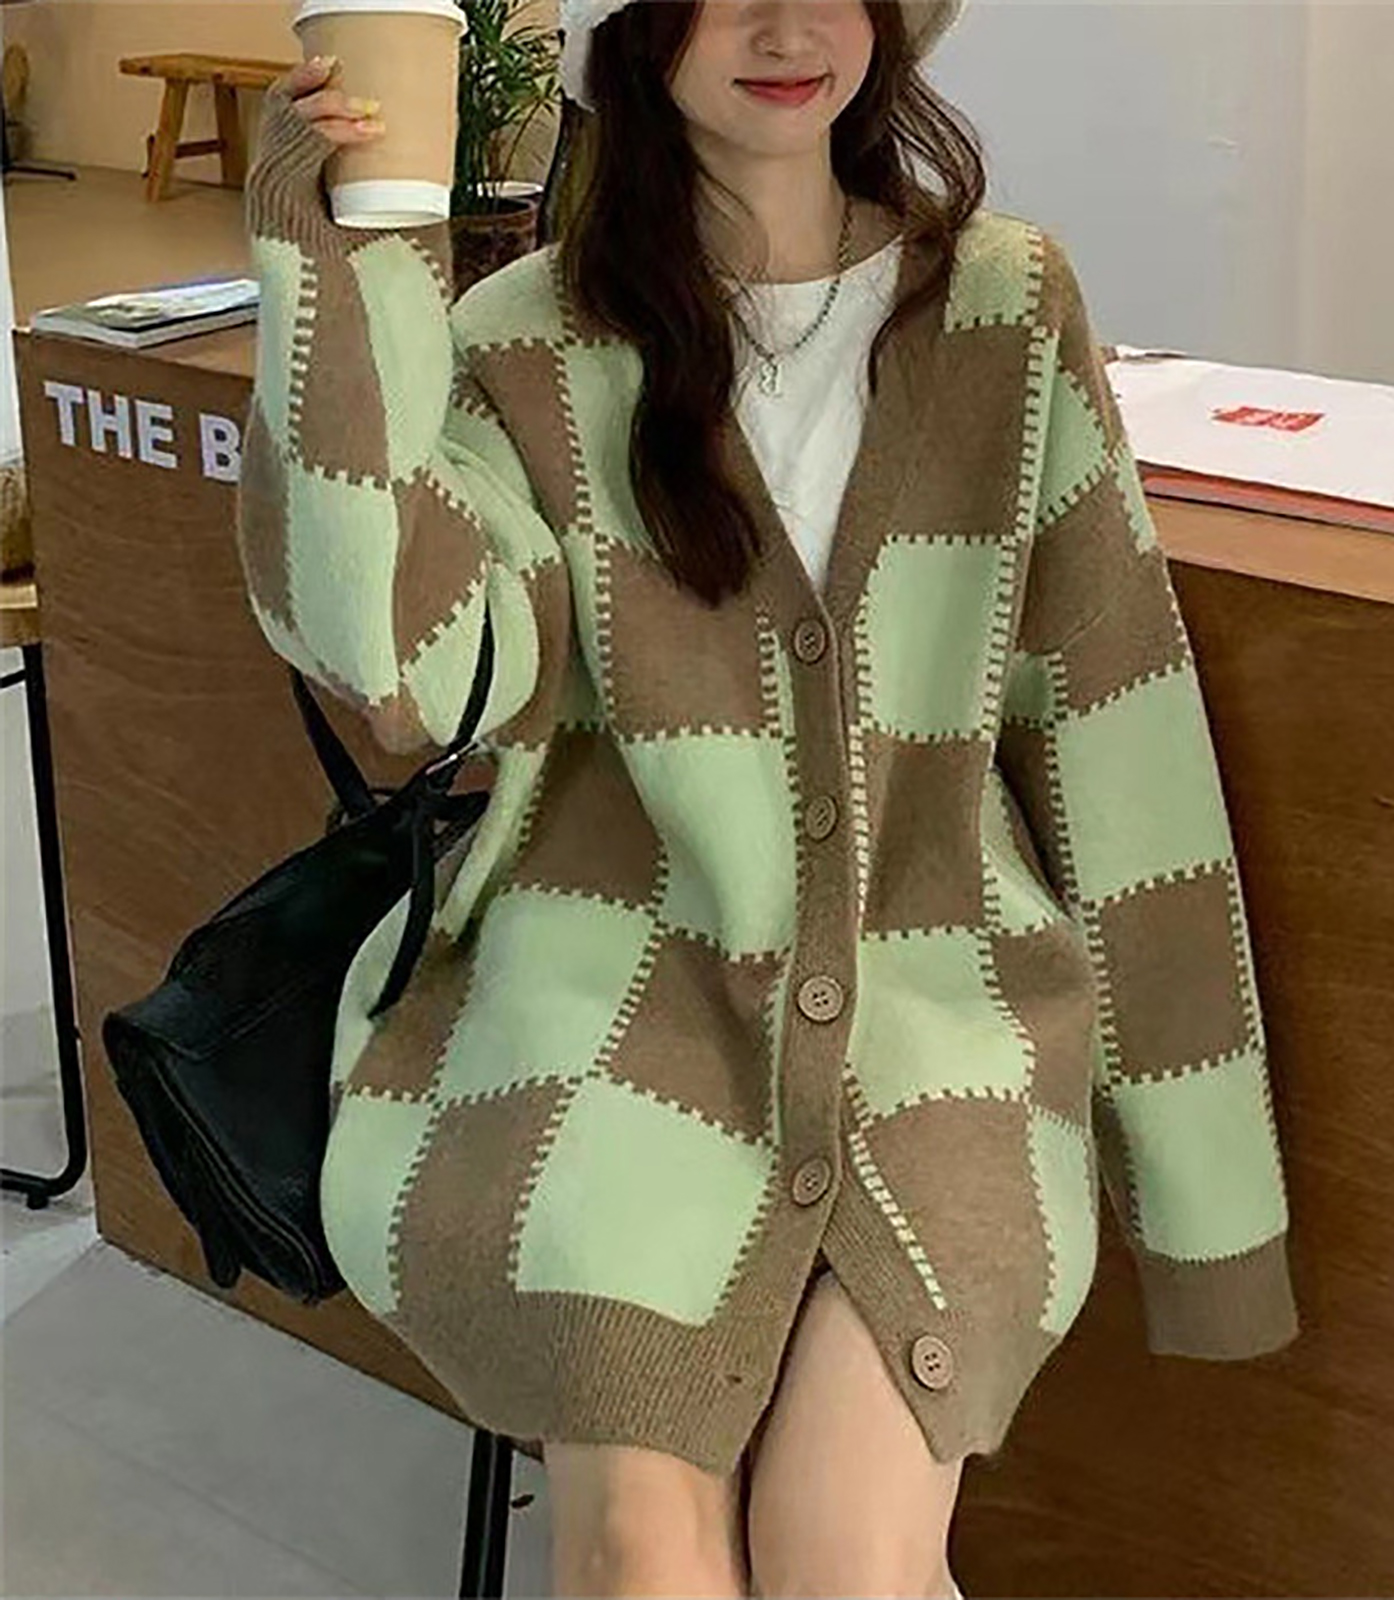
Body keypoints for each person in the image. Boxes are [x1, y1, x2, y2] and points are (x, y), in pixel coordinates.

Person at [237, 1, 1300, 1593]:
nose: (788, 23)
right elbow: (415, 678)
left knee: (846, 1566)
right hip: (602, 1010)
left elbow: (1116, 729)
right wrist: (346, 279)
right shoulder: (528, 339)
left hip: (935, 1011)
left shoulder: (1004, 307)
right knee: (638, 1555)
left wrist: (1204, 1193)